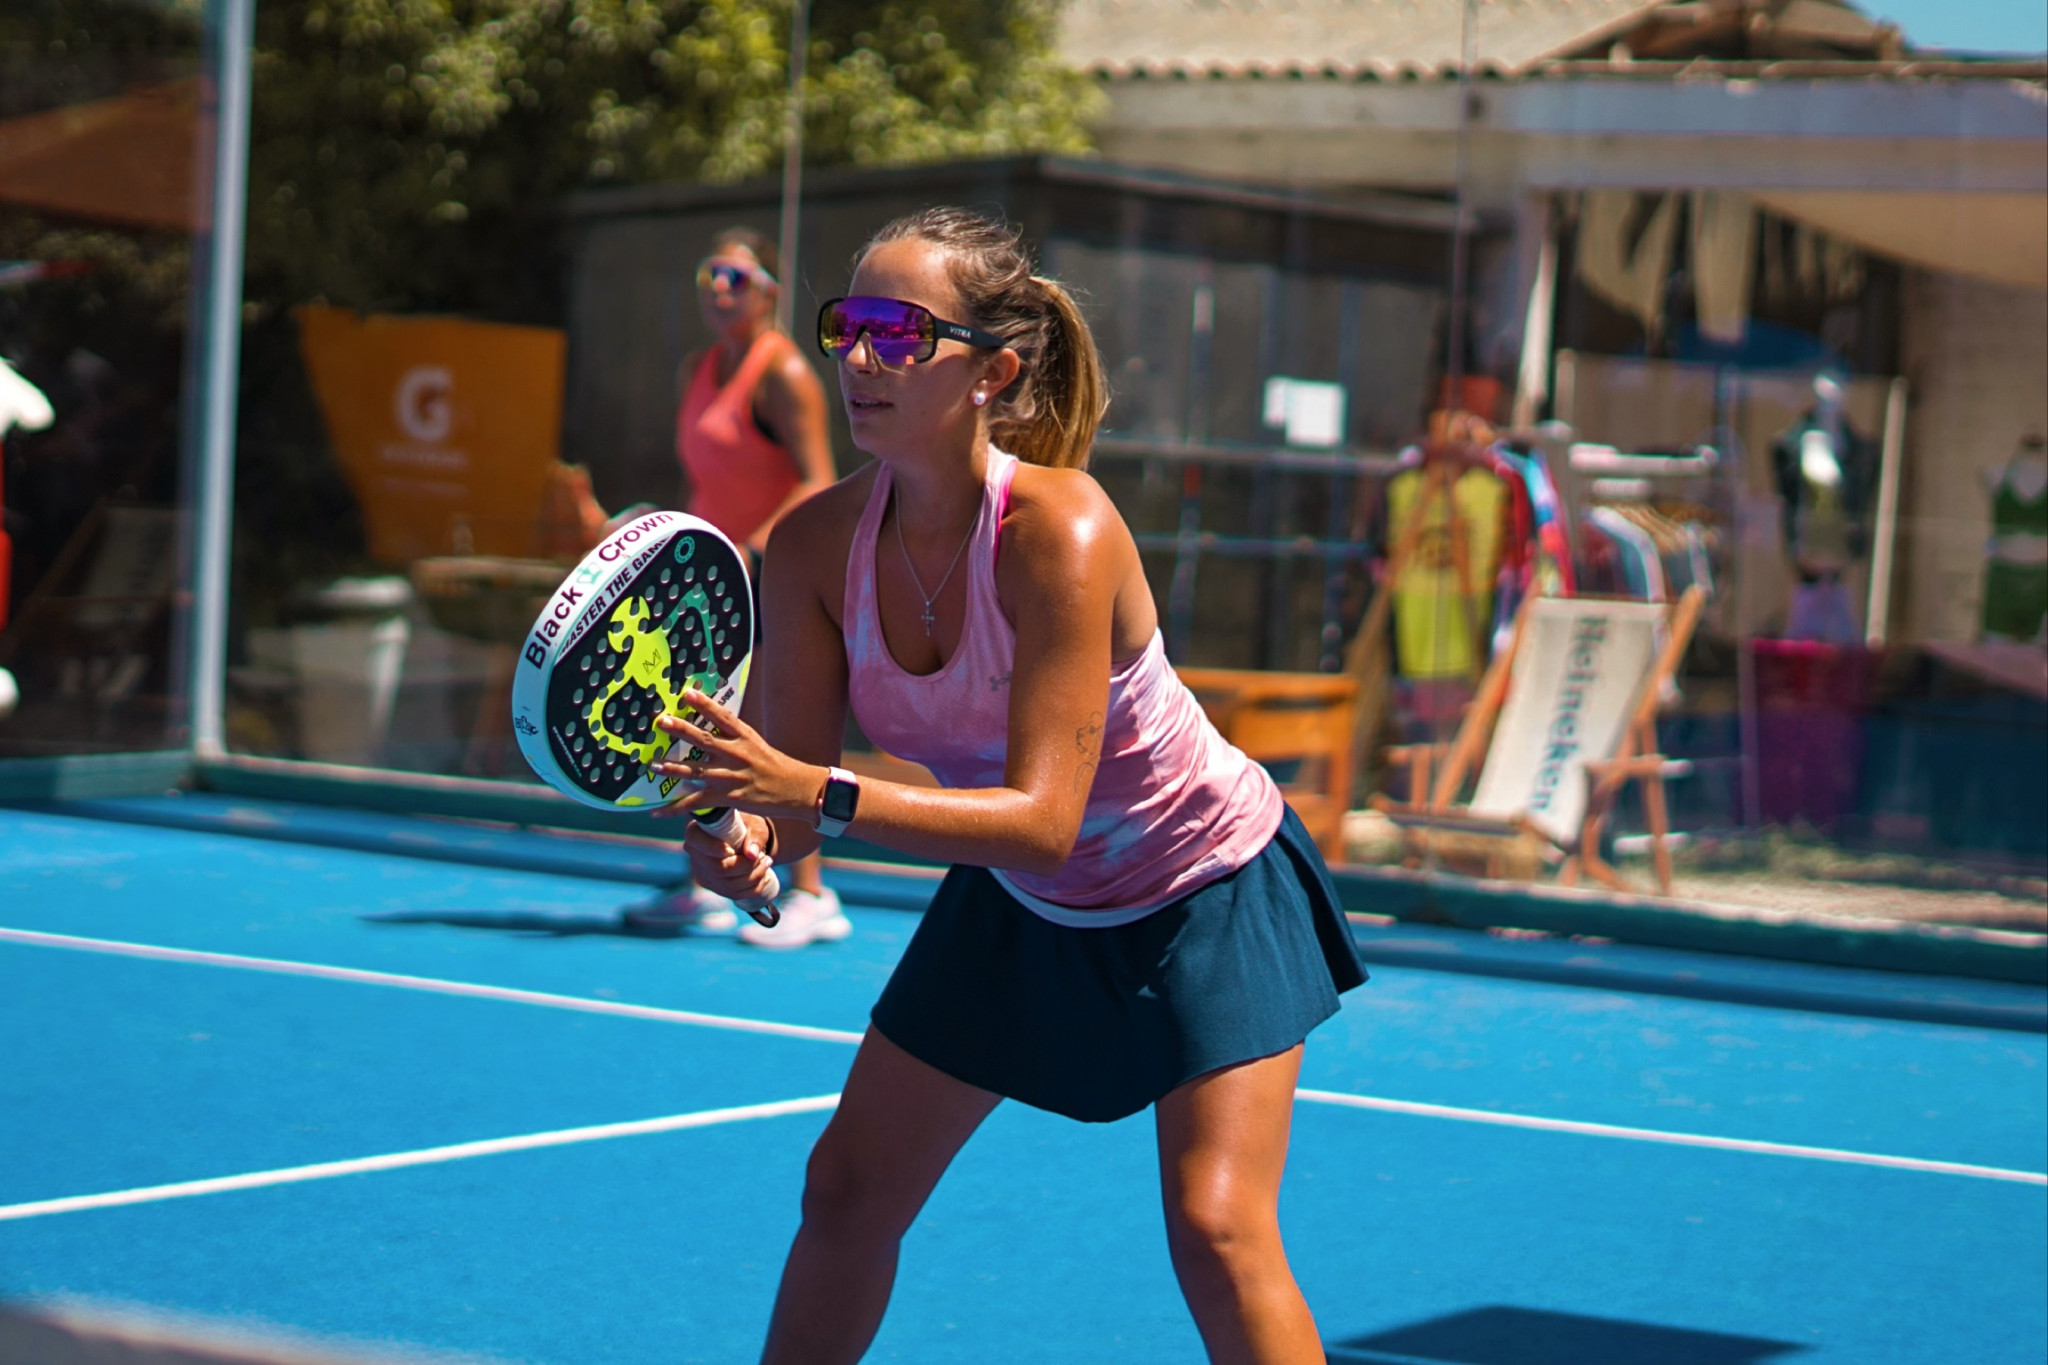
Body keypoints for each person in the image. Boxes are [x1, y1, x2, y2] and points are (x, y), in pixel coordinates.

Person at [653, 208, 1367, 1364]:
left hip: (1203, 886)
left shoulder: (1060, 529)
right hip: (1021, 899)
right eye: (848, 327)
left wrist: (810, 794)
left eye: (898, 333)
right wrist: (742, 841)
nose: (859, 357)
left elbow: (1041, 821)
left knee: (1217, 1231)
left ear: (990, 372)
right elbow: (790, 808)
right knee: (844, 1190)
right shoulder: (811, 549)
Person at [628, 227, 844, 947]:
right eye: (711, 275)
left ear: (770, 292)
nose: (721, 290)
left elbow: (818, 481)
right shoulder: (698, 369)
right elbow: (707, 481)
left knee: (768, 736)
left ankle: (812, 892)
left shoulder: (784, 373)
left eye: (738, 278)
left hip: (769, 578)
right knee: (699, 731)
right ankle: (709, 881)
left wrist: (750, 553)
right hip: (707, 589)